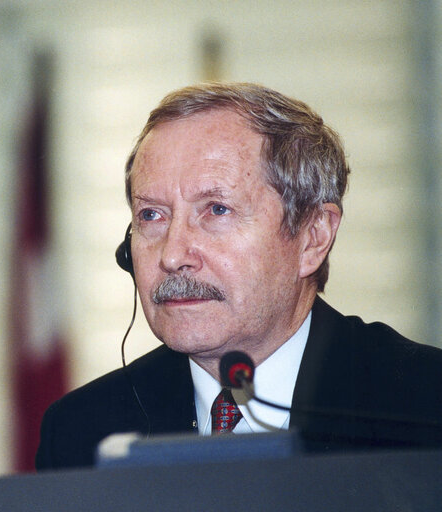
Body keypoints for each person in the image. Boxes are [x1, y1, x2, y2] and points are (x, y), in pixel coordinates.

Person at [35, 82, 442, 471]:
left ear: (312, 237)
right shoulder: (81, 430)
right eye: (152, 215)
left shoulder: (422, 404)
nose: (173, 255)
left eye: (216, 209)